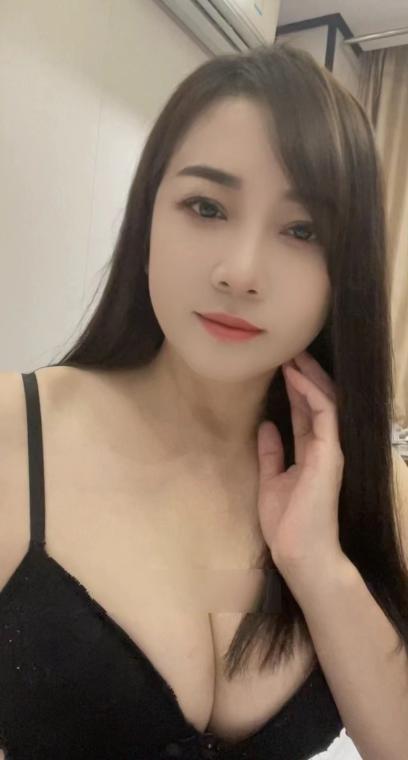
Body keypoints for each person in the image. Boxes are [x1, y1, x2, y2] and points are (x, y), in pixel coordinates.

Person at [0, 41, 407, 760]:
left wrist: (318, 564)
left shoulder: (379, 489)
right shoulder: (14, 432)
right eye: (206, 206)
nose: (240, 271)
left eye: (303, 230)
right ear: (147, 219)